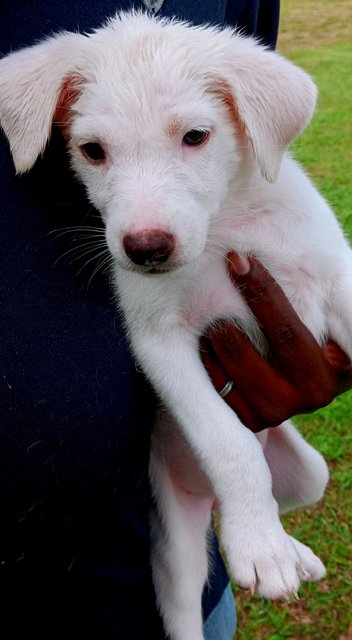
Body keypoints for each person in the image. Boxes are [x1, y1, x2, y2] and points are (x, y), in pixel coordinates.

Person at [1, 1, 351, 638]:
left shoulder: (233, 72)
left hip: (130, 560)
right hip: (49, 562)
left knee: (308, 477)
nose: (141, 228)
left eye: (193, 137)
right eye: (95, 151)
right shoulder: (47, 78)